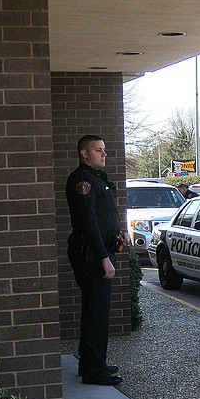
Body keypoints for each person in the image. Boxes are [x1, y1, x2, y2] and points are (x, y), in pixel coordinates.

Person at [66, 135, 129, 386]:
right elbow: (88, 223)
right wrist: (104, 257)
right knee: (96, 312)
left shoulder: (95, 179)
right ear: (84, 153)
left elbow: (103, 218)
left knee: (97, 310)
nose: (104, 154)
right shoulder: (83, 181)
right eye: (98, 150)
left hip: (100, 251)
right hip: (92, 255)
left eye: (104, 150)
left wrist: (118, 234)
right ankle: (94, 370)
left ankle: (92, 362)